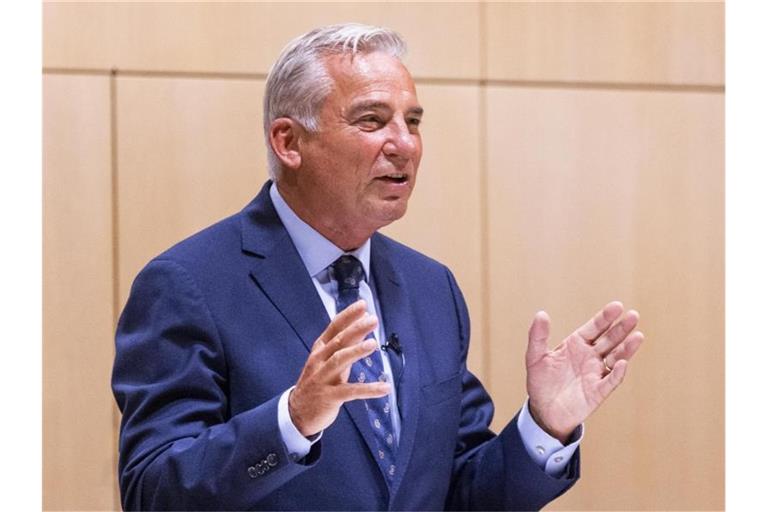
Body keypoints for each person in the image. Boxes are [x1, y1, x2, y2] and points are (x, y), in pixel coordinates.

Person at [112, 23, 644, 511]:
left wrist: (546, 426)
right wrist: (291, 422)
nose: (404, 144)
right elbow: (151, 492)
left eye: (412, 122)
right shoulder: (189, 284)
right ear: (289, 141)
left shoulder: (431, 288)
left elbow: (461, 492)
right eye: (372, 120)